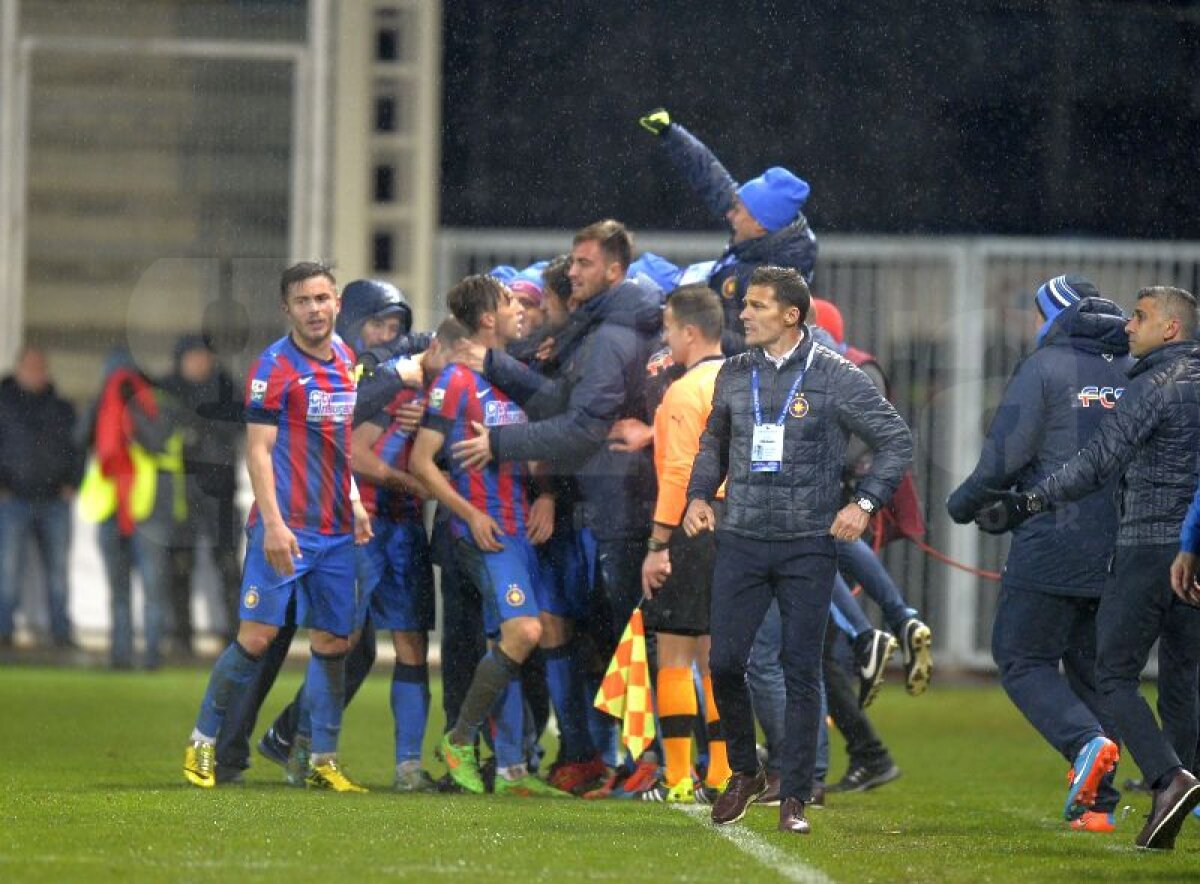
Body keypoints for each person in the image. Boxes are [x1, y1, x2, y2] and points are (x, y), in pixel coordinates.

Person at [682, 265, 912, 834]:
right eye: (746, 306)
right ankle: (745, 770)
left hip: (808, 544)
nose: (744, 314)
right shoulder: (734, 373)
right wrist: (697, 494)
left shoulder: (836, 376)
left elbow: (896, 439)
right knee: (725, 663)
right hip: (742, 536)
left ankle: (798, 794)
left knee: (800, 669)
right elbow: (714, 438)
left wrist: (863, 504)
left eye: (757, 306)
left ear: (791, 315)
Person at [981, 285, 1200, 850]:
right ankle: (1187, 796)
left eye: (1142, 317)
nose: (1130, 326)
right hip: (1194, 548)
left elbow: (1099, 463)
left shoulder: (1154, 384)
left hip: (1149, 547)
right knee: (1184, 678)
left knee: (1114, 677)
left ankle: (1168, 779)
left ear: (1171, 329)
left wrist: (1031, 501)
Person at [450, 220, 664, 795]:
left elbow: (578, 429)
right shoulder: (598, 331)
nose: (573, 274)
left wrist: (498, 444)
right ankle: (596, 755)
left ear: (615, 271)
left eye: (585, 264)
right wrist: (498, 367)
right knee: (594, 634)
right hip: (595, 502)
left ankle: (654, 759)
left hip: (617, 505)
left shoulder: (613, 337)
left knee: (631, 638)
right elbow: (559, 403)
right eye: (571, 264)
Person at [947, 276, 1131, 832]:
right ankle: (1099, 807)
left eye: (1038, 315)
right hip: (1123, 546)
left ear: (1055, 318)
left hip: (1054, 536)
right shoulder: (1134, 370)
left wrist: (963, 505)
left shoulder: (1046, 368)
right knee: (1091, 669)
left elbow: (1004, 457)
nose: (1034, 326)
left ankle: (1085, 744)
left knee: (1022, 656)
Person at [183, 262, 371, 793]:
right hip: (285, 527)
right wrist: (272, 524)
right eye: (304, 301)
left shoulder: (347, 360)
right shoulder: (273, 368)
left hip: (334, 530)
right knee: (257, 638)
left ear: (337, 303)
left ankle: (319, 758)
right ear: (286, 309)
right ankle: (203, 742)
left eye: (323, 298)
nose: (315, 309)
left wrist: (354, 499)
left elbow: (337, 443)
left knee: (335, 643)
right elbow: (259, 452)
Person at [410, 273, 567, 798]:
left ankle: (511, 770)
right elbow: (420, 463)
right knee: (522, 633)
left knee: (519, 637)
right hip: (481, 530)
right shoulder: (456, 381)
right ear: (486, 319)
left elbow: (540, 443)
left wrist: (545, 491)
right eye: (508, 303)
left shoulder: (515, 374)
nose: (519, 309)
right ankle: (461, 741)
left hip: (519, 528)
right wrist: (467, 513)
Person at [638, 284, 731, 804]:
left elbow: (677, 474)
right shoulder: (746, 379)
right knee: (718, 655)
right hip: (742, 523)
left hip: (694, 523)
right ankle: (720, 774)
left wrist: (658, 544)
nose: (666, 338)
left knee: (675, 652)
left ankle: (677, 779)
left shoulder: (683, 391)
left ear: (691, 332)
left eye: (670, 329)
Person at [638, 108, 816, 354]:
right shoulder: (767, 226)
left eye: (737, 210)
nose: (730, 214)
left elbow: (753, 350)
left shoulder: (769, 285)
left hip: (711, 363)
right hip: (706, 289)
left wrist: (686, 322)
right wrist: (672, 135)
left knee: (636, 292)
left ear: (759, 225)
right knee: (642, 270)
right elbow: (712, 179)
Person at [81, 348, 182, 670]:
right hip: (112, 509)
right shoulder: (103, 407)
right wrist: (102, 404)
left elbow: (157, 441)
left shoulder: (156, 404)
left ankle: (152, 657)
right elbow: (78, 437)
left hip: (148, 510)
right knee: (119, 590)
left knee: (153, 589)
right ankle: (120, 657)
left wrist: (132, 408)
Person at [160, 334, 243, 653]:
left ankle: (235, 634)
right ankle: (181, 634)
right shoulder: (167, 390)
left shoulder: (226, 388)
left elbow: (237, 425)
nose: (197, 363)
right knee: (179, 565)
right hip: (181, 492)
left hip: (220, 492)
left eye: (202, 356)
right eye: (191, 357)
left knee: (228, 565)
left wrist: (200, 426)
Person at [0, 346, 83, 649]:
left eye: (40, 367)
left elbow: (78, 448)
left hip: (54, 500)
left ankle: (60, 632)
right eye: (30, 366)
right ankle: (4, 631)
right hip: (14, 499)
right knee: (7, 569)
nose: (36, 372)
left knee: (58, 572)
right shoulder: (4, 403)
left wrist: (73, 482)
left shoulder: (61, 407)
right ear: (18, 368)